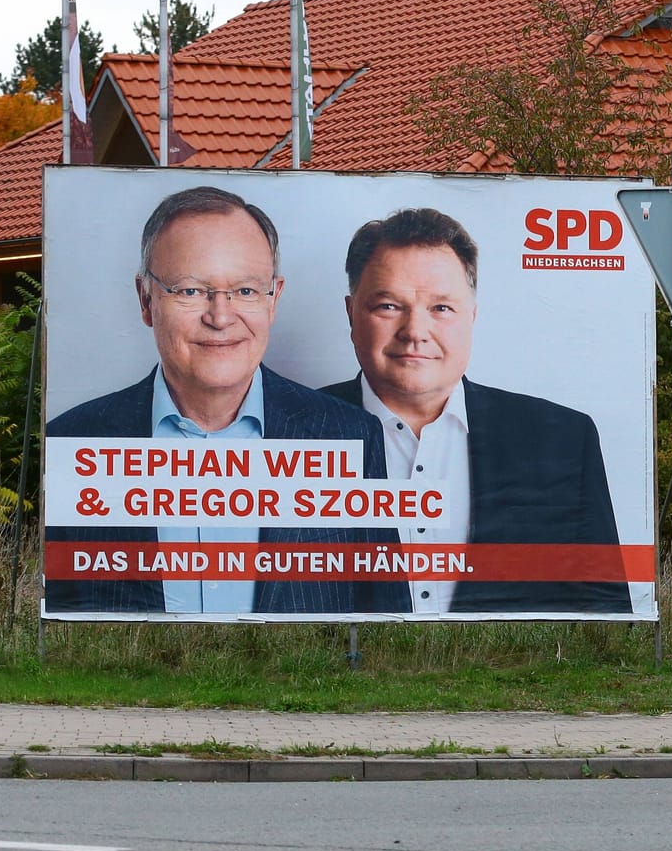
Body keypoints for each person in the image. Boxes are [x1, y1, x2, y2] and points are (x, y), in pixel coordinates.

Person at [44, 186, 406, 615]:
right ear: (146, 300)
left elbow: (386, 624)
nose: (220, 317)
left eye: (246, 291)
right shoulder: (70, 443)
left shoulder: (351, 437)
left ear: (274, 298)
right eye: (191, 291)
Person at [321, 207, 627, 614]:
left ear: (472, 316)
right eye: (389, 306)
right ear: (351, 313)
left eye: (441, 308)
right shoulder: (290, 433)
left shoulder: (562, 439)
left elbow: (604, 613)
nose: (415, 331)